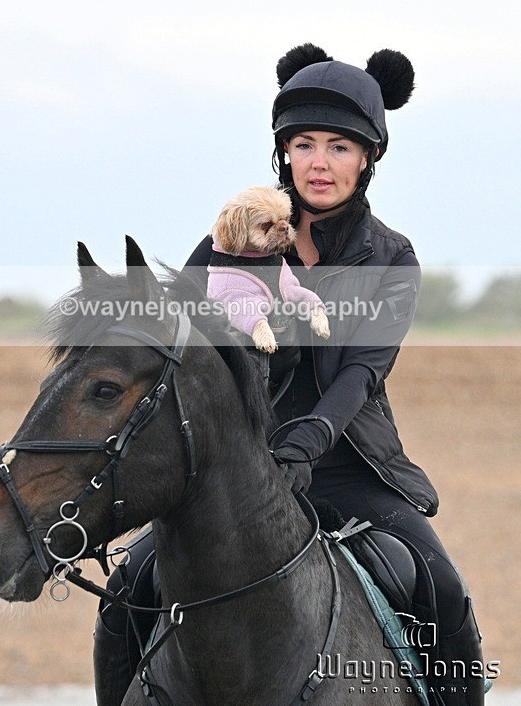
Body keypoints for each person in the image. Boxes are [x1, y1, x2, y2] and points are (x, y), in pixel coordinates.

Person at [93, 43, 485, 706]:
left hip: (348, 466)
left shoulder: (392, 257)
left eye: (339, 147)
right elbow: (177, 347)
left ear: (368, 158)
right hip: (234, 469)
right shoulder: (227, 241)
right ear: (284, 152)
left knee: (443, 588)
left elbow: (363, 371)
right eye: (304, 145)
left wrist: (309, 440)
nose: (319, 163)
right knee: (127, 587)